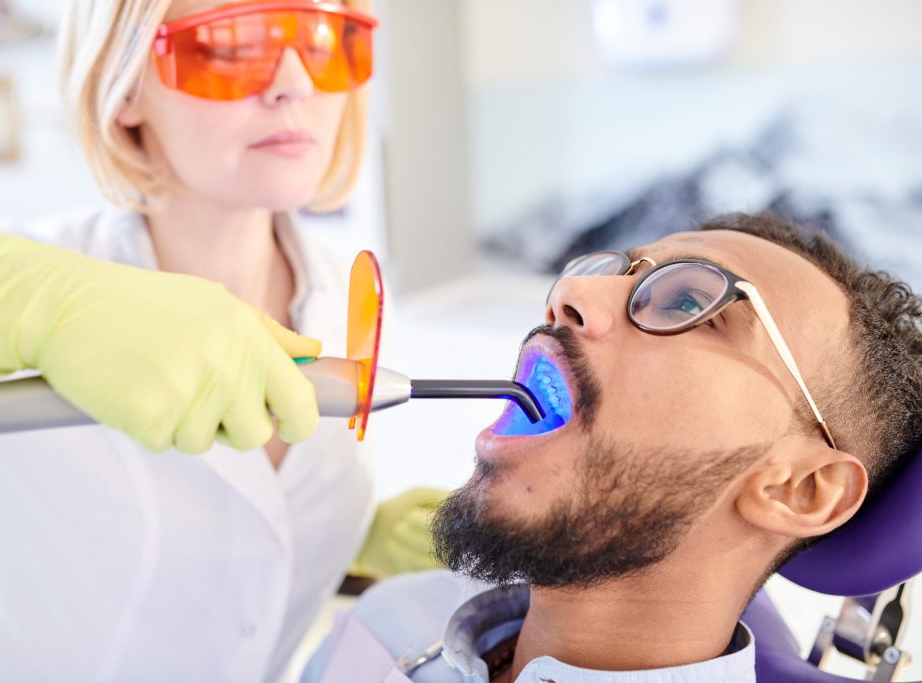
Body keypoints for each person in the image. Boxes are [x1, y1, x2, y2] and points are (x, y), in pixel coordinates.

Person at [0, 1, 435, 680]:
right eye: (236, 42)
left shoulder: (344, 293)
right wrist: (23, 308)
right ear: (125, 87)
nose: (294, 81)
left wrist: (348, 528)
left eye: (325, 38)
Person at [301, 213, 922, 683]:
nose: (569, 295)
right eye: (613, 272)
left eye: (689, 303)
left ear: (799, 489)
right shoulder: (387, 622)